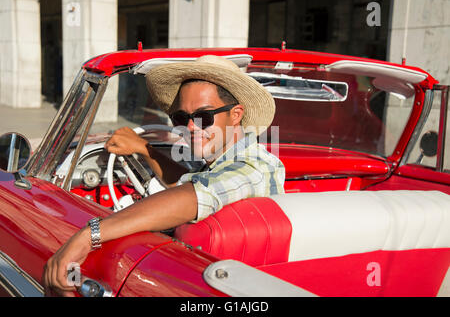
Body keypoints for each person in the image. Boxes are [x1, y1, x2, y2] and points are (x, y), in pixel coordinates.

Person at [42, 55, 285, 296]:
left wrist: (88, 235)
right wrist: (143, 148)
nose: (190, 127)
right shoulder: (223, 164)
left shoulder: (255, 167)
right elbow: (189, 184)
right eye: (181, 118)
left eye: (203, 117)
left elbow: (195, 196)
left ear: (235, 114)